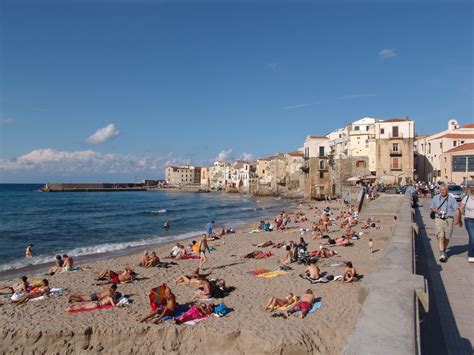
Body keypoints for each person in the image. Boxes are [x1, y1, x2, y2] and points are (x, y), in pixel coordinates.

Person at [430, 184, 460, 262]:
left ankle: (443, 250)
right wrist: (438, 211)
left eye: (444, 190)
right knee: (440, 236)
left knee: (447, 238)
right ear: (439, 191)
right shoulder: (435, 198)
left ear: (447, 191)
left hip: (449, 219)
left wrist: (458, 219)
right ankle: (442, 254)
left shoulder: (452, 199)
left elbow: (457, 209)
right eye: (441, 190)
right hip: (438, 219)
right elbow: (432, 208)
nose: (443, 192)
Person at [457, 186, 474, 263]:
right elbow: (461, 208)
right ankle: (471, 255)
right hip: (469, 220)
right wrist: (459, 218)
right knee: (472, 236)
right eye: (472, 190)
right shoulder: (466, 198)